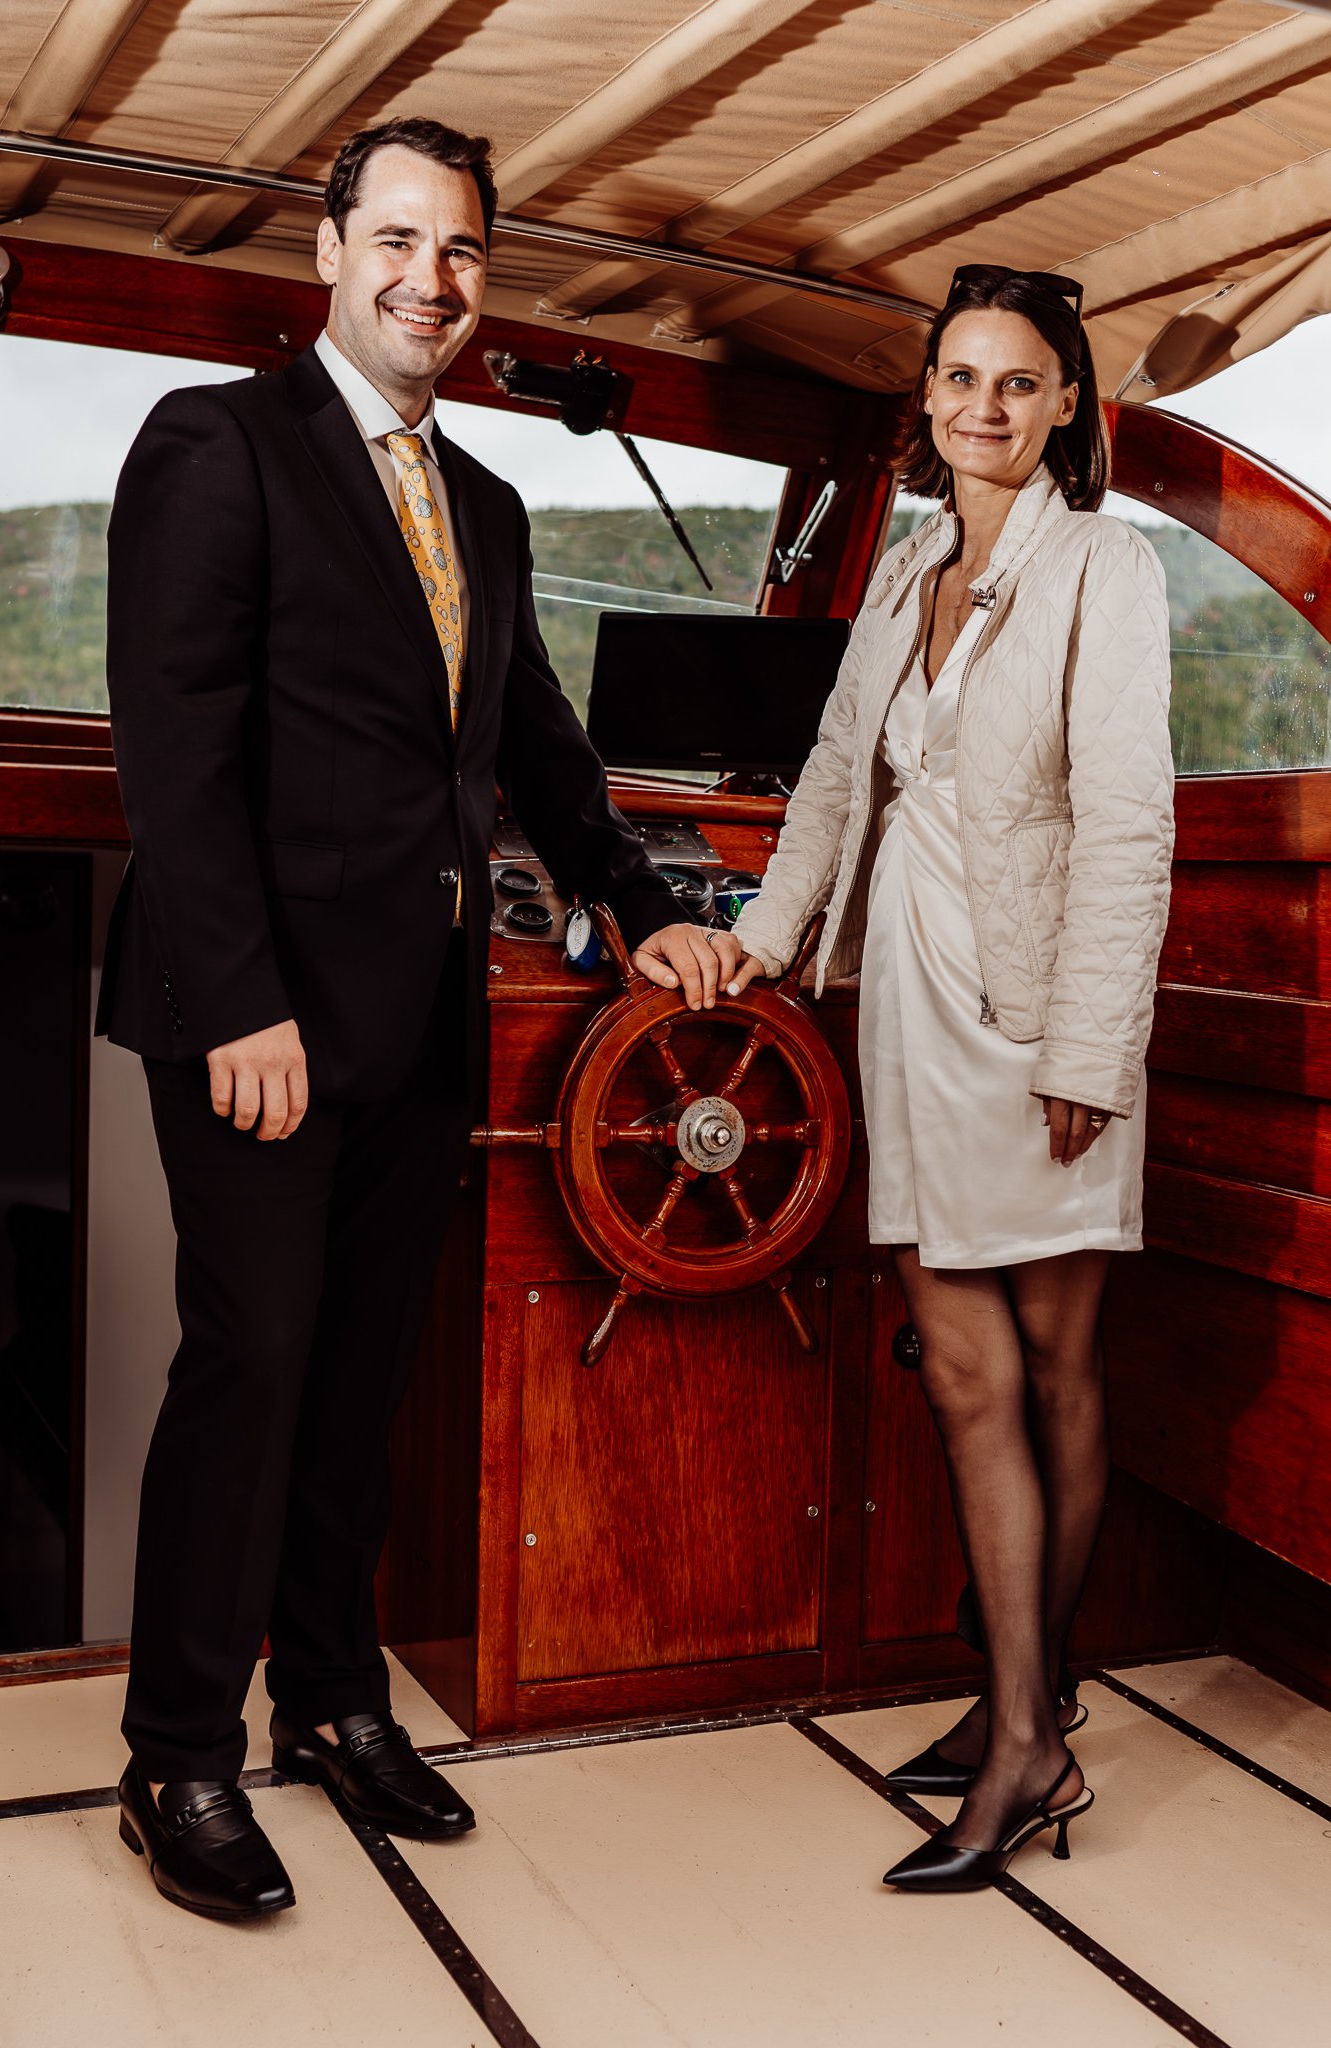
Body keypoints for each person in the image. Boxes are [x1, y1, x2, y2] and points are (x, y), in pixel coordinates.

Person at [97, 115, 720, 1922]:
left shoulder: (490, 507)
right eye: (394, 241)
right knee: (251, 1368)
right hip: (259, 1021)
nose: (424, 281)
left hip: (414, 1012)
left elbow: (532, 742)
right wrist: (239, 1002)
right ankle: (178, 1756)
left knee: (364, 1376)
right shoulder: (216, 441)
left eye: (456, 253)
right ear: (328, 253)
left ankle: (334, 1700)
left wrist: (647, 902)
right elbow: (174, 743)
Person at [715, 264, 1174, 1892]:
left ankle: (1028, 1734)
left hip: (1037, 1007)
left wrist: (1086, 1045)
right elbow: (839, 779)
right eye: (958, 377)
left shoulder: (1102, 568)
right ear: (926, 398)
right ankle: (1022, 1712)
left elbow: (1129, 821)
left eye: (1017, 381)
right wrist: (756, 946)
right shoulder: (909, 560)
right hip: (904, 998)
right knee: (966, 1377)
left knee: (1044, 1373)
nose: (983, 407)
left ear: (1066, 406)